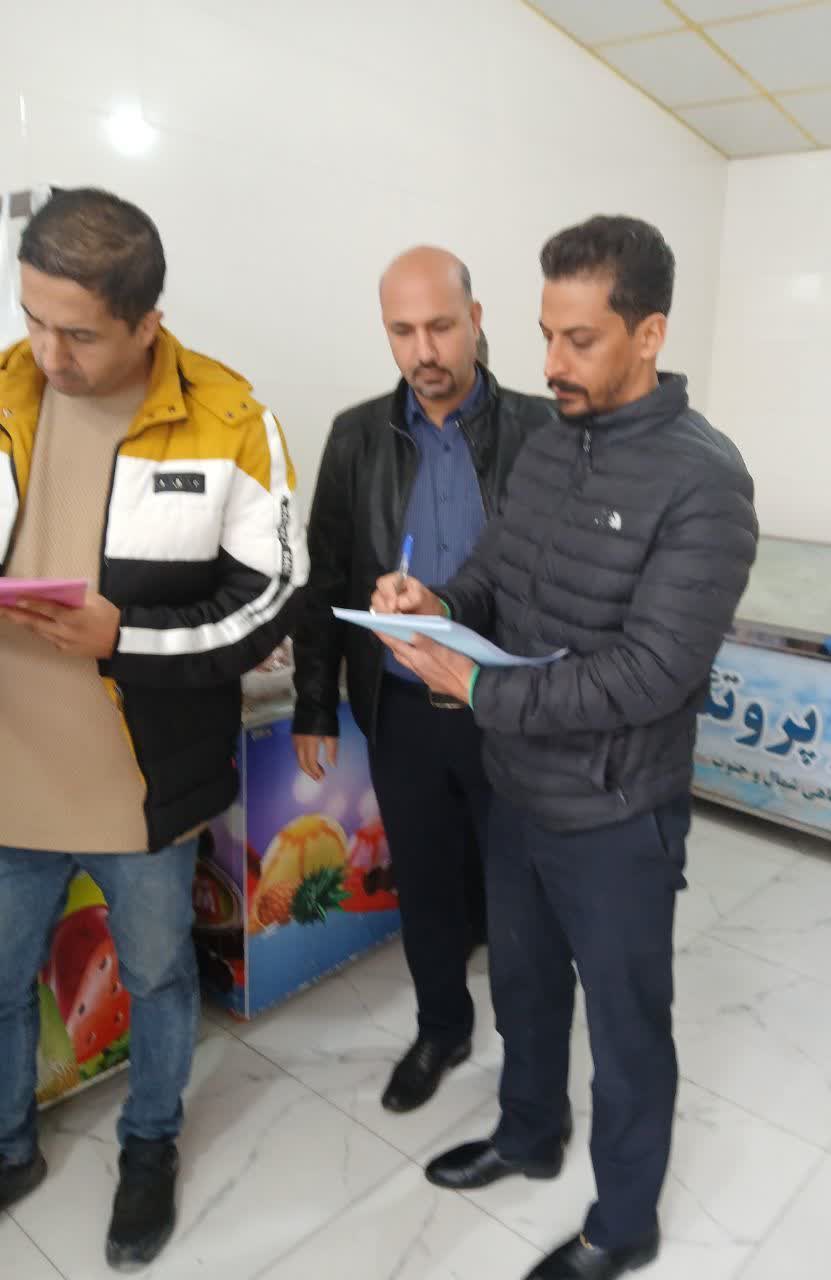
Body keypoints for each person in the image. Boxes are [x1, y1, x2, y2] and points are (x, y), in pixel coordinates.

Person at [370, 216, 758, 1280]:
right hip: (519, 788)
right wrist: (437, 602)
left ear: (650, 333)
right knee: (526, 987)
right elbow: (496, 576)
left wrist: (479, 687)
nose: (551, 362)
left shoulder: (704, 482)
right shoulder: (549, 443)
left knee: (628, 1029)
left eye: (580, 340)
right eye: (546, 334)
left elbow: (651, 671)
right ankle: (529, 1132)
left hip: (617, 813)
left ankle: (624, 1222)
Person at [0, 188, 307, 1269]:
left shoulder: (230, 419)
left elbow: (271, 595)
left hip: (142, 785)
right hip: (9, 773)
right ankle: (8, 1146)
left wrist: (122, 635)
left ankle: (150, 1143)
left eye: (79, 333)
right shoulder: (5, 387)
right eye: (33, 319)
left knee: (161, 976)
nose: (49, 353)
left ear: (146, 321)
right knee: (1, 977)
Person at [292, 246, 553, 1113]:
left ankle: (531, 1056)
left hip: (506, 708)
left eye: (440, 326)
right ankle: (442, 1026)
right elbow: (326, 576)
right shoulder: (357, 436)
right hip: (400, 709)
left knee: (520, 895)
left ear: (476, 320)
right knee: (427, 882)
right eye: (402, 331)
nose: (424, 350)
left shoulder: (542, 432)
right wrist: (314, 704)